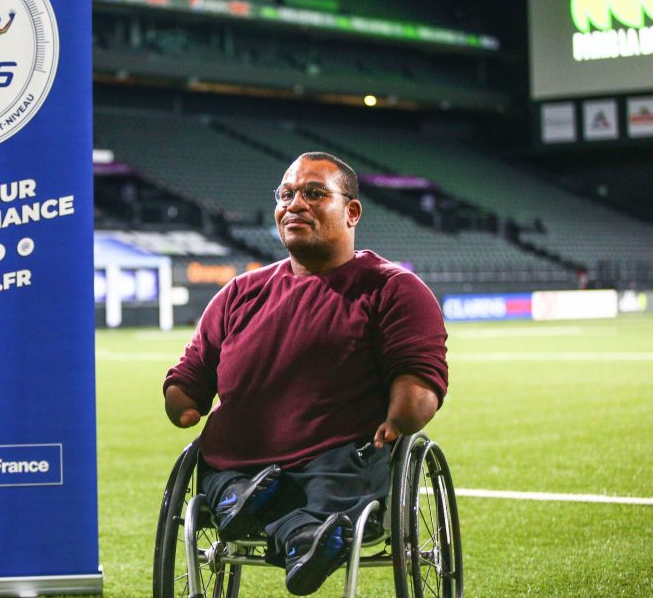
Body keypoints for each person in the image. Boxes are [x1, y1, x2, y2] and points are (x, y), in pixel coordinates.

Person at [163, 152, 448, 596]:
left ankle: (291, 526)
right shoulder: (239, 293)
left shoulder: (393, 289)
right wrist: (182, 397)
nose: (295, 204)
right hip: (238, 464)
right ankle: (296, 532)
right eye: (286, 194)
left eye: (314, 193)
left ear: (352, 211)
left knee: (326, 484)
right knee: (222, 477)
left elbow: (418, 375)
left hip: (335, 462)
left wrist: (403, 416)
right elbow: (191, 375)